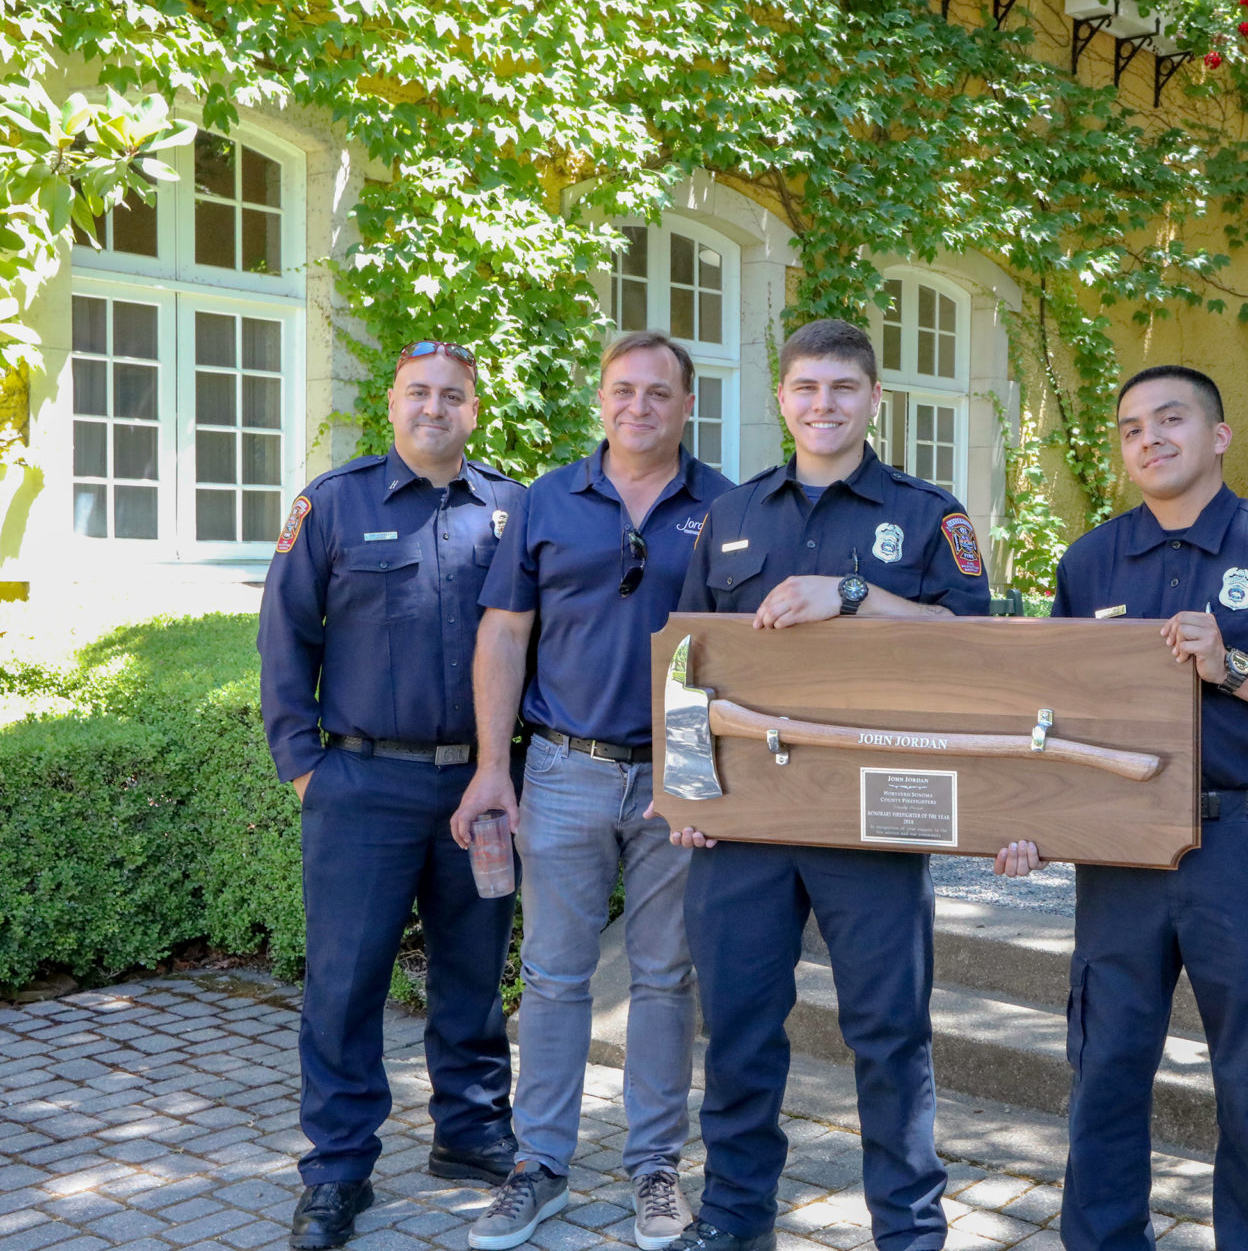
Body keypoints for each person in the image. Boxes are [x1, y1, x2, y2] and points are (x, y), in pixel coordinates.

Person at [996, 365, 1248, 1251]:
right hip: (1119, 848)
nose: (1150, 438)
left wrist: (1233, 665)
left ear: (1219, 435)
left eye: (1171, 419)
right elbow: (1056, 711)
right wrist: (1037, 820)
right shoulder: (1090, 560)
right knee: (1107, 1067)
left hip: (1239, 836)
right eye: (1130, 427)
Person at [664, 318, 990, 1251]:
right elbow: (692, 664)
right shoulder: (730, 518)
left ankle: (909, 1230)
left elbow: (978, 648)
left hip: (876, 811)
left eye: (843, 389)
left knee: (888, 1036)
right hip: (749, 822)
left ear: (873, 400)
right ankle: (732, 1221)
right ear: (781, 400)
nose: (824, 405)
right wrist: (689, 794)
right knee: (737, 1031)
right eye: (806, 388)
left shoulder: (930, 515)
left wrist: (851, 596)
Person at [450, 330, 734, 1251]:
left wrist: (692, 772)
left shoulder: (728, 507)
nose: (639, 407)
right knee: (554, 977)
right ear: (600, 400)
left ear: (688, 405)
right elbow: (503, 634)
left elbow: (742, 656)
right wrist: (496, 768)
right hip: (563, 769)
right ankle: (540, 1170)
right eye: (623, 390)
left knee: (663, 978)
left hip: (679, 774)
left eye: (659, 393)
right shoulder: (546, 501)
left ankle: (655, 1172)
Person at [258, 340, 525, 1250]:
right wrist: (304, 765)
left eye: (453, 395)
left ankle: (472, 1131)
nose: (435, 409)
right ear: (392, 403)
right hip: (362, 783)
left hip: (478, 782)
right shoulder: (334, 504)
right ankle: (337, 1170)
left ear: (475, 410)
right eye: (419, 393)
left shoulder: (510, 510)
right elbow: (284, 637)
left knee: (473, 970)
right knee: (345, 981)